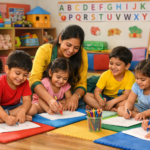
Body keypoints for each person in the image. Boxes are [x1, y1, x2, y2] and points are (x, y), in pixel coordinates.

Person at [29, 25, 88, 113]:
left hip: (65, 95)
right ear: (60, 39)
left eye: (76, 48)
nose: (71, 50)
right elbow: (34, 79)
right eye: (68, 45)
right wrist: (50, 100)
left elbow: (82, 82)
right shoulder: (44, 50)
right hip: (44, 95)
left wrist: (75, 97)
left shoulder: (82, 53)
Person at [83, 46, 135, 111]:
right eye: (111, 63)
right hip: (105, 98)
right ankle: (108, 109)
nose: (113, 67)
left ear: (127, 66)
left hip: (119, 100)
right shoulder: (105, 74)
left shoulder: (130, 76)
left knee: (127, 103)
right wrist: (100, 99)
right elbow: (97, 91)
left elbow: (126, 94)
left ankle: (100, 107)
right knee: (86, 96)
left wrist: (113, 102)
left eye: (118, 64)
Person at [0, 50, 33, 126]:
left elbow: (27, 100)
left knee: (33, 108)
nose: (21, 78)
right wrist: (5, 117)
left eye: (25, 75)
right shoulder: (1, 82)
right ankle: (9, 117)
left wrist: (22, 112)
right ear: (7, 69)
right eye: (17, 73)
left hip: (14, 108)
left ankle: (16, 116)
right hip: (1, 108)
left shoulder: (25, 82)